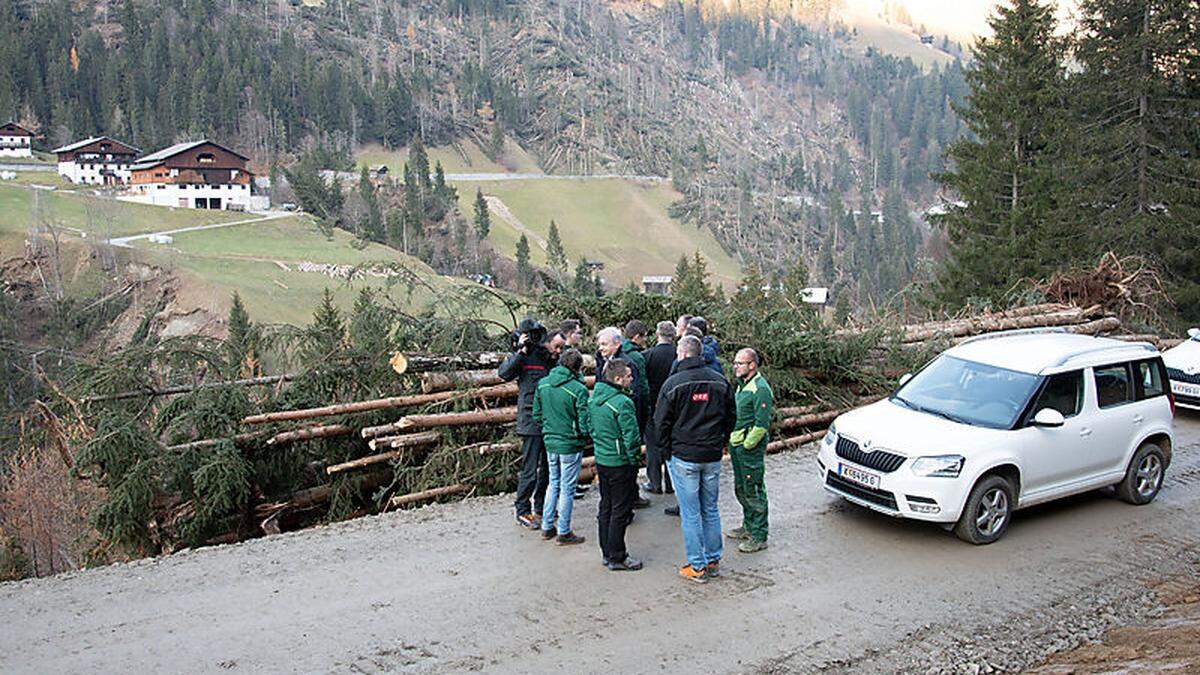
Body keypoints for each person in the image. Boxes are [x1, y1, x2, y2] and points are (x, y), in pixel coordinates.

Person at [654, 335, 736, 583]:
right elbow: (731, 416)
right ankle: (713, 559)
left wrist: (666, 451)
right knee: (710, 508)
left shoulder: (673, 384)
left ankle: (697, 566)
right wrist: (722, 442)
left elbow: (661, 423)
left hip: (684, 456)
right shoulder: (720, 381)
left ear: (681, 354)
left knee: (691, 513)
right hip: (711, 455)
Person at [498, 319, 555, 529]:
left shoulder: (543, 356)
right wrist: (520, 350)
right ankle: (522, 510)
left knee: (548, 469)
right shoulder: (520, 357)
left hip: (548, 419)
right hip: (529, 421)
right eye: (530, 334)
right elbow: (504, 373)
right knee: (530, 469)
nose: (534, 338)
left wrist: (551, 352)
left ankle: (541, 506)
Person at [532, 348, 591, 545]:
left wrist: (550, 428)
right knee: (567, 487)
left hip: (550, 441)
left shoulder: (543, 384)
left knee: (553, 483)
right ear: (578, 368)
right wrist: (583, 435)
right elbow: (584, 422)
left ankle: (547, 526)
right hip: (570, 443)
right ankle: (564, 531)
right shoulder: (578, 389)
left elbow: (536, 415)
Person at [590, 359, 644, 571]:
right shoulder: (623, 403)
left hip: (602, 459)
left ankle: (606, 551)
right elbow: (631, 436)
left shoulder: (594, 399)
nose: (632, 379)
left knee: (606, 506)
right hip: (620, 462)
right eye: (629, 376)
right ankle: (617, 556)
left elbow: (588, 425)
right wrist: (634, 459)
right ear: (619, 379)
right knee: (620, 510)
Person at [728, 348, 773, 553]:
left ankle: (759, 535)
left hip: (748, 449)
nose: (735, 366)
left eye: (740, 363)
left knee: (753, 488)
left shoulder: (760, 388)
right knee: (741, 487)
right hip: (737, 445)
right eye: (735, 363)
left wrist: (747, 444)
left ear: (752, 365)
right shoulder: (742, 385)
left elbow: (761, 423)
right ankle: (748, 525)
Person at [641, 320, 676, 495]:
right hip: (674, 406)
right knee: (670, 443)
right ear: (674, 336)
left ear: (657, 334)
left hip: (653, 405)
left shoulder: (648, 355)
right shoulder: (679, 354)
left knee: (653, 445)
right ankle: (671, 483)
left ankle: (654, 482)